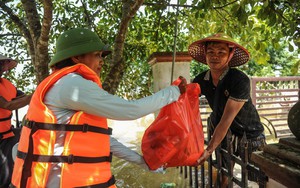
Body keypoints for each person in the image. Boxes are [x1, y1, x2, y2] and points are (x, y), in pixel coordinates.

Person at [11, 28, 186, 188]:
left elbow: (102, 140)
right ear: (77, 58)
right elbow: (130, 110)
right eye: (97, 55)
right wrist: (173, 92)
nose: (102, 61)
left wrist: (143, 162)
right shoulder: (72, 85)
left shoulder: (64, 83)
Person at [188, 33, 265, 187]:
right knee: (223, 175)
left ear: (230, 56)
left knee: (258, 179)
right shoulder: (201, 79)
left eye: (221, 52)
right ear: (205, 54)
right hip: (223, 135)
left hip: (249, 134)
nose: (215, 56)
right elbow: (186, 105)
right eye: (210, 52)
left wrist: (208, 150)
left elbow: (226, 119)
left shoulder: (239, 80)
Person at [0, 54, 32, 188]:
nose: (2, 67)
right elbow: (8, 105)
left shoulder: (7, 85)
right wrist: (36, 94)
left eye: (3, 64)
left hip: (7, 136)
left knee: (10, 175)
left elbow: (22, 98)